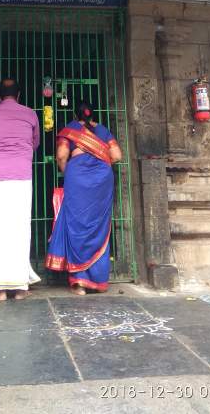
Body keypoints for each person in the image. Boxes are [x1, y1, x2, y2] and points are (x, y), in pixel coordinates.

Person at [45, 102, 122, 295]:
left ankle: (79, 282)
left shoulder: (70, 130)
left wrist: (69, 172)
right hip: (102, 181)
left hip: (77, 179)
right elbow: (117, 155)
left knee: (77, 224)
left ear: (75, 114)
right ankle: (98, 280)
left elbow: (62, 156)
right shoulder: (103, 130)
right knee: (99, 226)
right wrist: (99, 163)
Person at [0, 78, 41, 301]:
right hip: (22, 175)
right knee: (20, 228)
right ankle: (21, 287)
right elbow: (35, 143)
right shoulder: (31, 114)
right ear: (20, 95)